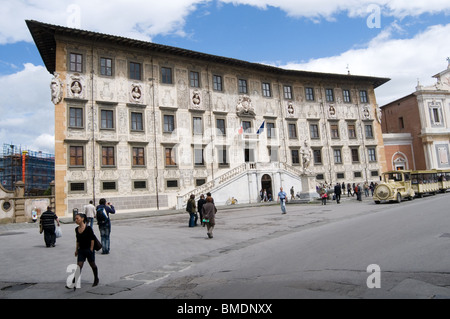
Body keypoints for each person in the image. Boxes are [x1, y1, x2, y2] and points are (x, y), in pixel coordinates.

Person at [69, 213, 99, 289]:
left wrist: (91, 249)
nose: (76, 220)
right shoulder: (76, 229)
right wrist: (76, 250)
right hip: (81, 250)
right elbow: (77, 240)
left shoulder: (88, 228)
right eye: (75, 219)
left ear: (82, 219)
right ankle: (74, 282)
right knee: (79, 266)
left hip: (88, 249)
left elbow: (92, 239)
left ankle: (96, 279)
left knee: (92, 265)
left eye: (77, 218)